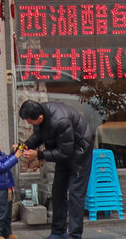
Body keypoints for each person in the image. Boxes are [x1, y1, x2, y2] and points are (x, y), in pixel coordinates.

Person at [18, 100, 95, 239]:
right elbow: (38, 136)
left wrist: (38, 155)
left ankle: (75, 235)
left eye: (30, 121)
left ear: (39, 118)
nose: (29, 124)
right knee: (58, 192)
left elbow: (65, 151)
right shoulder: (42, 116)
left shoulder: (60, 120)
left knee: (76, 196)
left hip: (79, 154)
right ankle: (58, 232)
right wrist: (25, 146)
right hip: (63, 154)